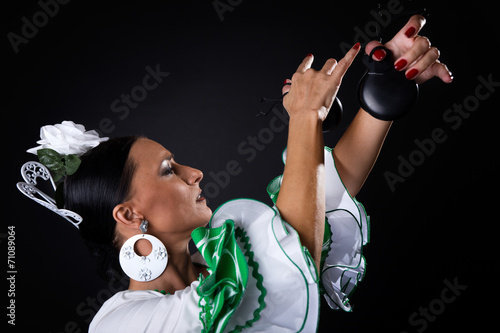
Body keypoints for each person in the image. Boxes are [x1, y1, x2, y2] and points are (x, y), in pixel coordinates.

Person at [19, 15, 452, 333]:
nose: (195, 173)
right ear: (129, 215)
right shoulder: (118, 324)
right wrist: (304, 118)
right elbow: (297, 245)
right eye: (169, 169)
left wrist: (383, 98)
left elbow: (318, 200)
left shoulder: (225, 263)